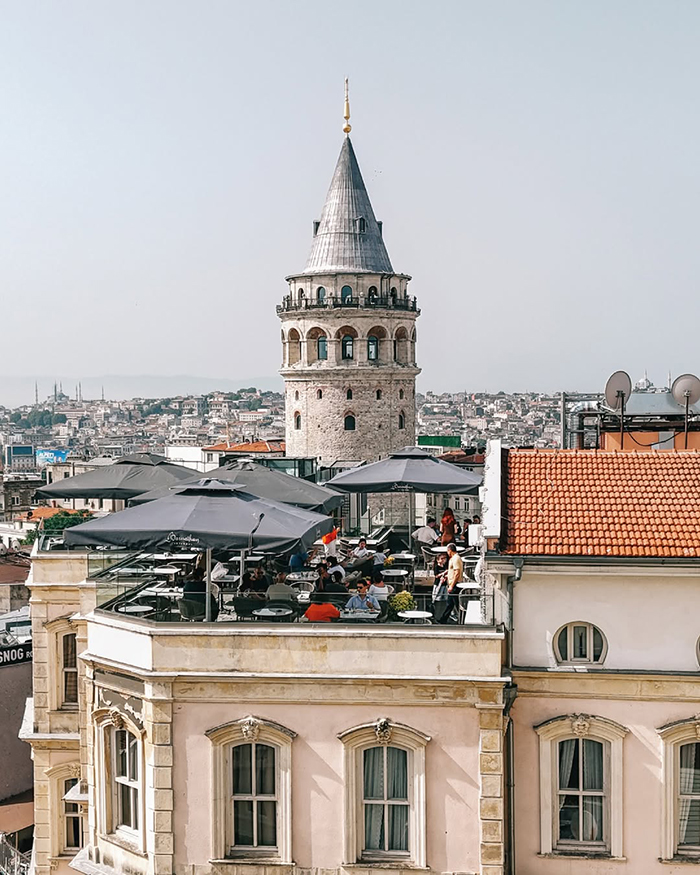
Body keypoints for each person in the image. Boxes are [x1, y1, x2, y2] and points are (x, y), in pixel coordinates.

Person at [439, 542, 464, 624]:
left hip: (455, 585)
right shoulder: (453, 558)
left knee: (456, 604)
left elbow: (457, 573)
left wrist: (451, 586)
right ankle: (444, 619)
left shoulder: (456, 559)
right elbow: (452, 571)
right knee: (450, 604)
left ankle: (462, 619)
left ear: (450, 550)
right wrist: (446, 575)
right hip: (452, 584)